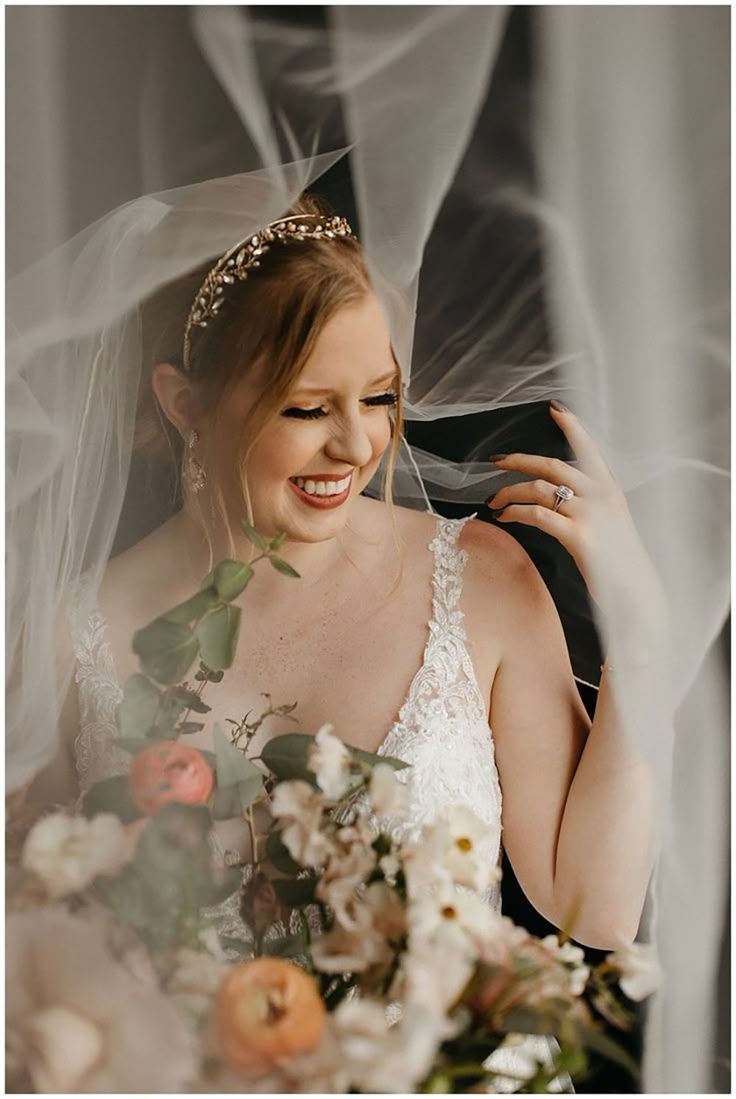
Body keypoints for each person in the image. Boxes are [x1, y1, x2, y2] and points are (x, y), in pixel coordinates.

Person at [32, 193, 665, 966]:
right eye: (306, 408)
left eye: (378, 396)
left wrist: (639, 628)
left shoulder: (483, 581)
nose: (359, 443)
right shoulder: (73, 638)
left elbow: (594, 911)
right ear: (185, 402)